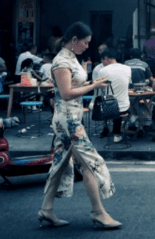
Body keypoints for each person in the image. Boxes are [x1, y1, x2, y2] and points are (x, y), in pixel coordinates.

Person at [38, 21, 121, 230]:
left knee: (60, 163)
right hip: (69, 121)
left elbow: (72, 86)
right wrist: (93, 85)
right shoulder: (61, 62)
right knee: (90, 163)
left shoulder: (71, 58)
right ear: (73, 40)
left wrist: (91, 84)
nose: (87, 46)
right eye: (85, 42)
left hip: (69, 118)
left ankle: (46, 209)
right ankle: (98, 212)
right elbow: (66, 93)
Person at [95, 48, 131, 143]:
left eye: (102, 60)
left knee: (107, 102)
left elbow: (99, 87)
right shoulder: (127, 68)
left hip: (108, 108)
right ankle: (122, 130)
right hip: (125, 108)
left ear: (106, 59)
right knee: (130, 104)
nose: (102, 63)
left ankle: (111, 131)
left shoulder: (102, 71)